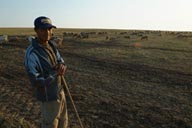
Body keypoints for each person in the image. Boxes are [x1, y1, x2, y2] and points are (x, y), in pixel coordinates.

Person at [24, 16, 68, 128]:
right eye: (43, 29)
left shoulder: (52, 45)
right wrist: (55, 75)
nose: (47, 32)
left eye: (49, 29)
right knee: (50, 125)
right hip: (48, 98)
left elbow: (60, 60)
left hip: (60, 93)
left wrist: (62, 66)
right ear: (36, 30)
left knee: (63, 123)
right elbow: (35, 80)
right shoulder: (32, 53)